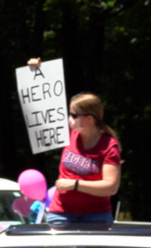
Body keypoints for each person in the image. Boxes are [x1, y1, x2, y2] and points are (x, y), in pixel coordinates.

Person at [28, 60, 122, 224]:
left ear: (89, 118)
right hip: (61, 213)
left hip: (96, 215)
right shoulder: (67, 133)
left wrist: (76, 184)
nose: (68, 118)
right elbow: (45, 103)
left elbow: (111, 187)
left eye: (73, 115)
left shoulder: (109, 145)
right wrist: (37, 71)